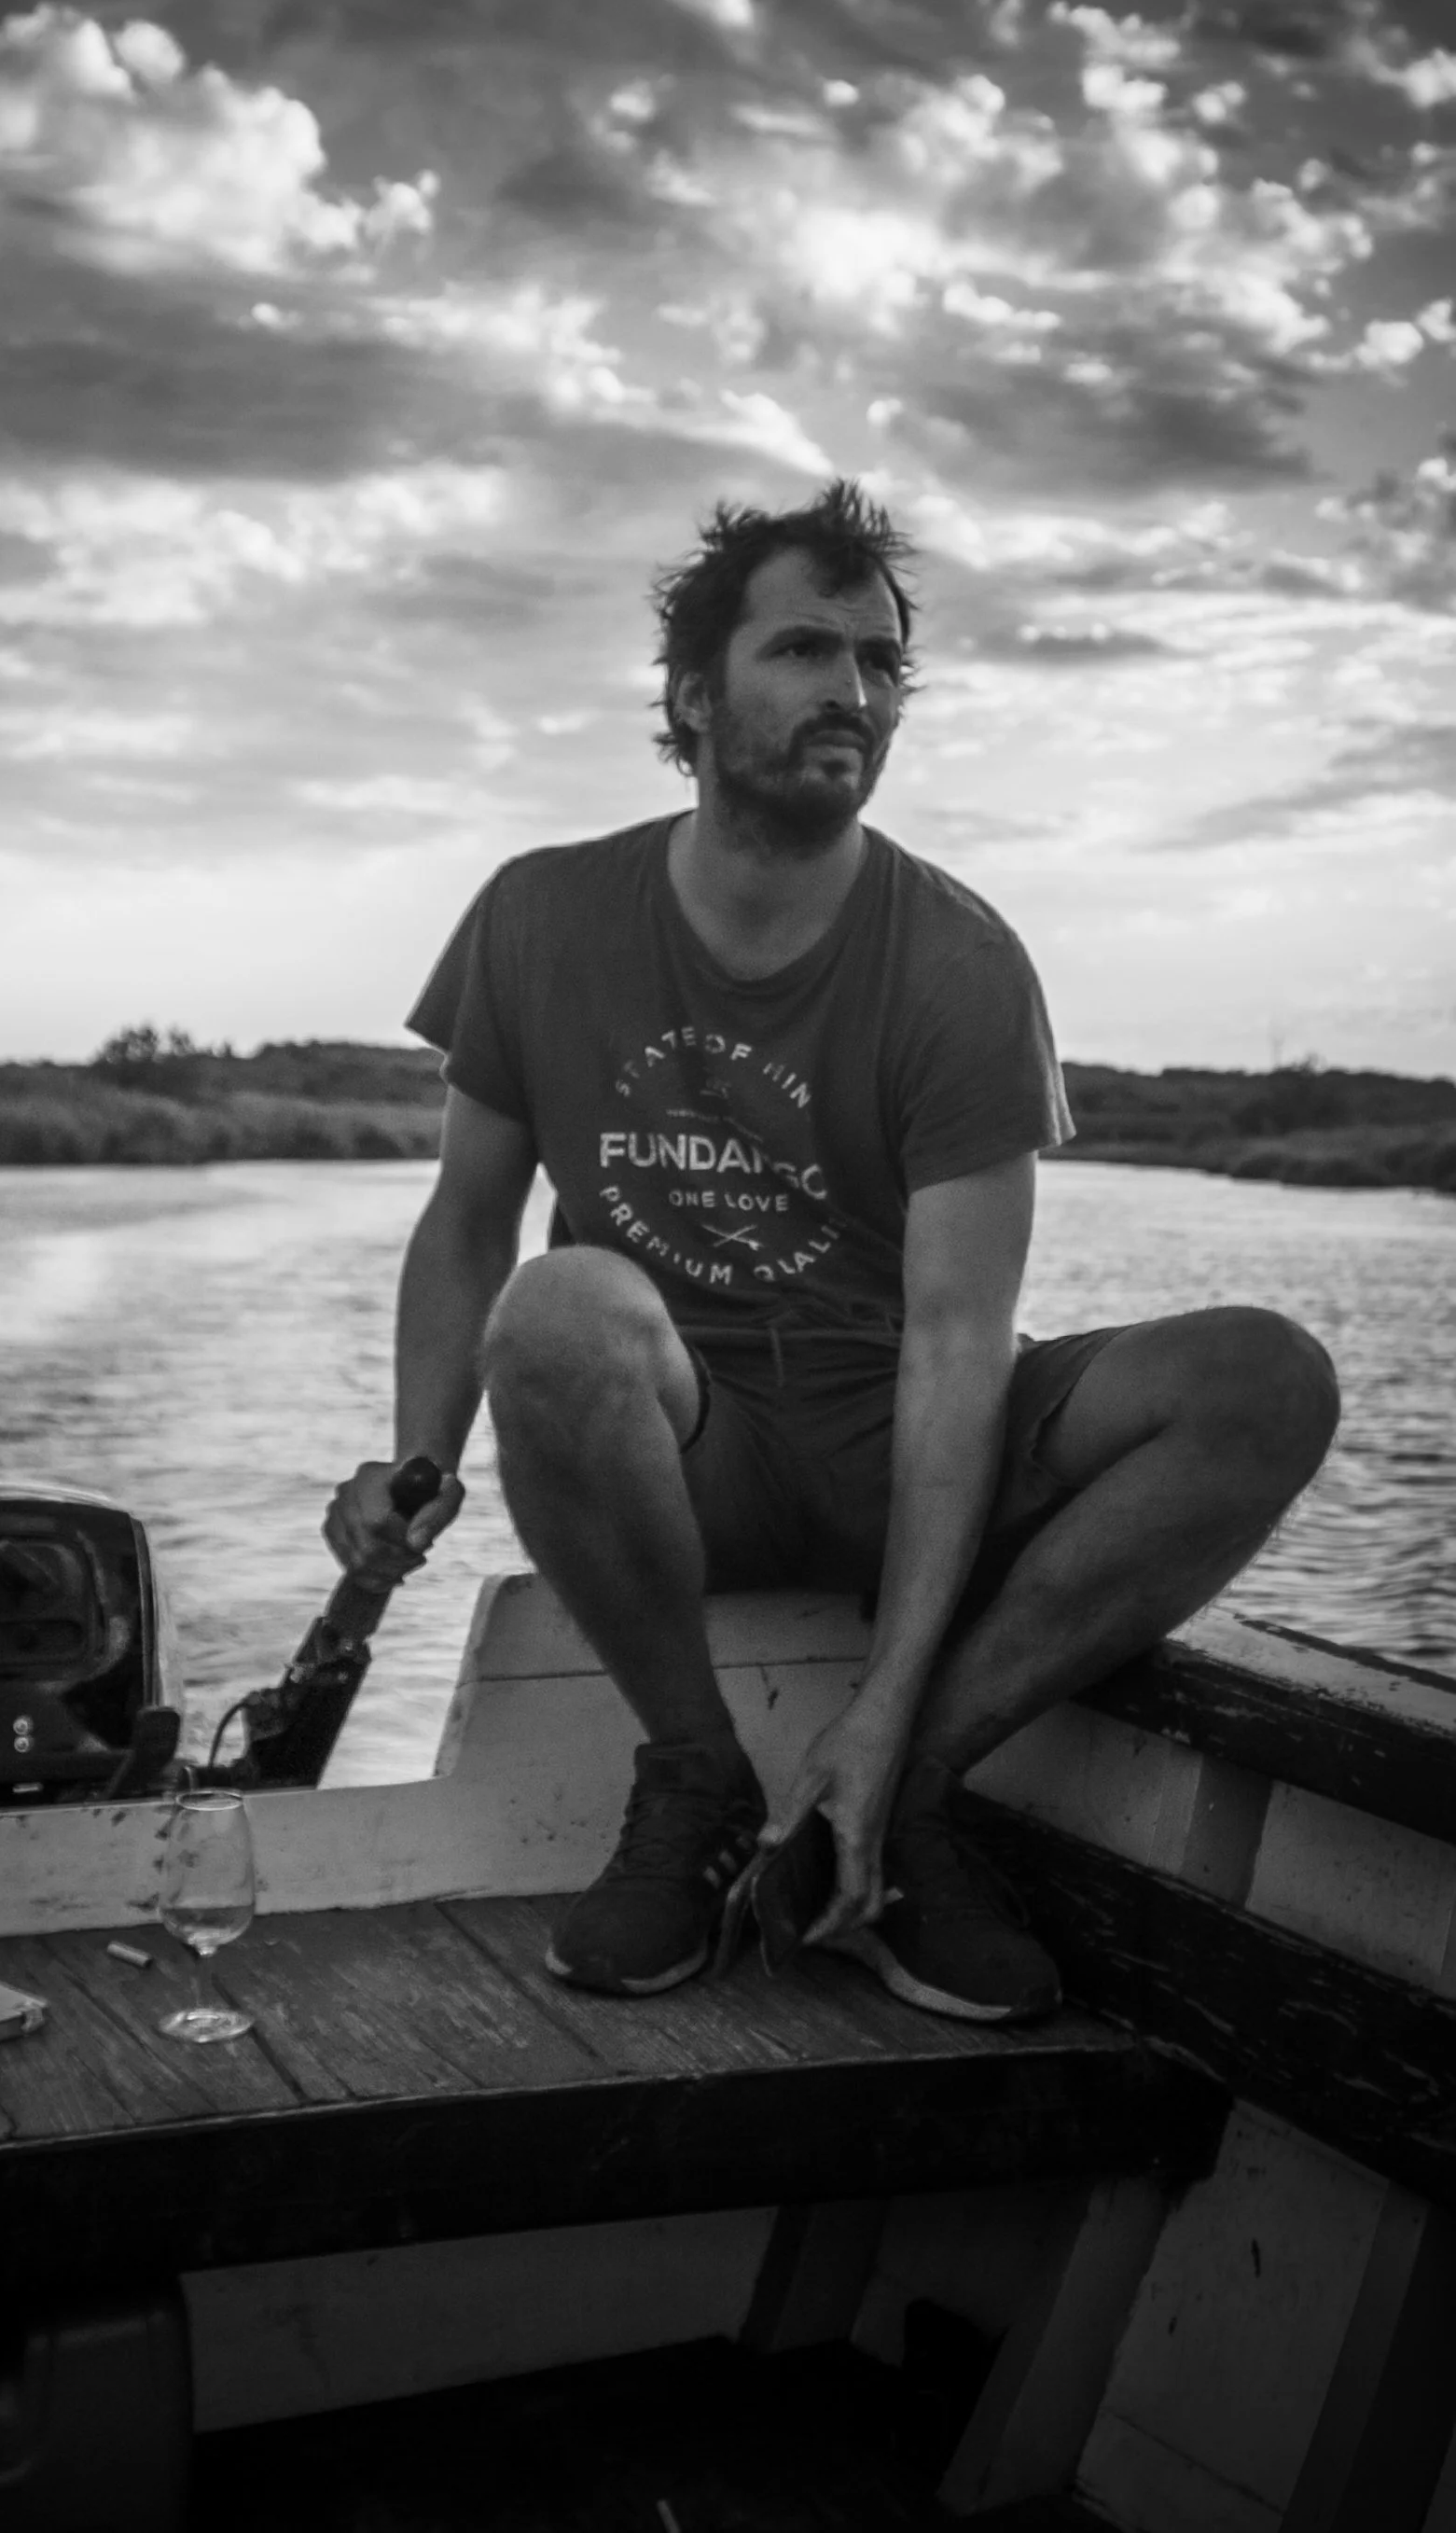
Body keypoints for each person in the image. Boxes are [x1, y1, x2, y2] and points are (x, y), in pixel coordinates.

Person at [324, 480, 1339, 2022]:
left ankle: (910, 1793)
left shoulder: (961, 961)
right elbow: (468, 1215)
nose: (853, 692)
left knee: (1265, 1379)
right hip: (690, 1451)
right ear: (690, 694)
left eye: (880, 662)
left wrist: (879, 1705)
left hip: (906, 1437)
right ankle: (696, 1782)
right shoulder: (541, 918)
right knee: (556, 1307)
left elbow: (957, 1343)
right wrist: (415, 1460)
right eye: (805, 649)